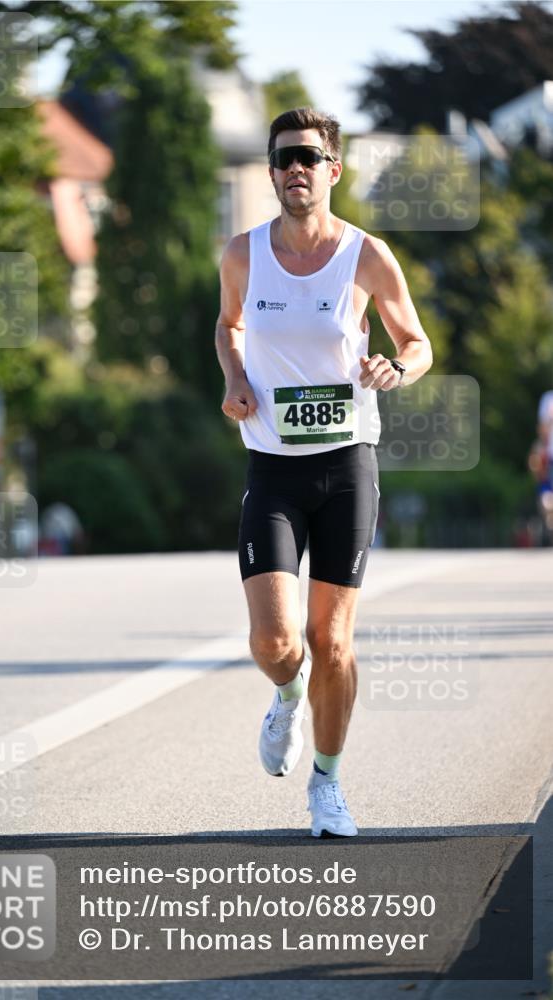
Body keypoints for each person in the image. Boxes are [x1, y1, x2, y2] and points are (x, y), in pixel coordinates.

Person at [214, 108, 433, 837]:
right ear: (272, 172)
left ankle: (327, 785)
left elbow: (416, 341)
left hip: (346, 465)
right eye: (282, 159)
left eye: (309, 156)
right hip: (273, 466)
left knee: (333, 639)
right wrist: (234, 376)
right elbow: (228, 323)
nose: (294, 169)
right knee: (277, 642)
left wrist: (395, 366)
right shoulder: (243, 253)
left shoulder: (366, 256)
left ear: (333, 169)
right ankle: (286, 696)